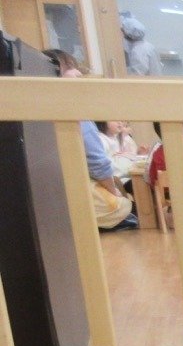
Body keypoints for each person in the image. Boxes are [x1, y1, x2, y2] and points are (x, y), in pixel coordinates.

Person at [45, 49, 136, 231]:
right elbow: (98, 163)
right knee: (124, 204)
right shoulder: (77, 114)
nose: (78, 73)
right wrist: (113, 191)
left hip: (49, 195)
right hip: (77, 192)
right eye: (69, 68)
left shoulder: (35, 109)